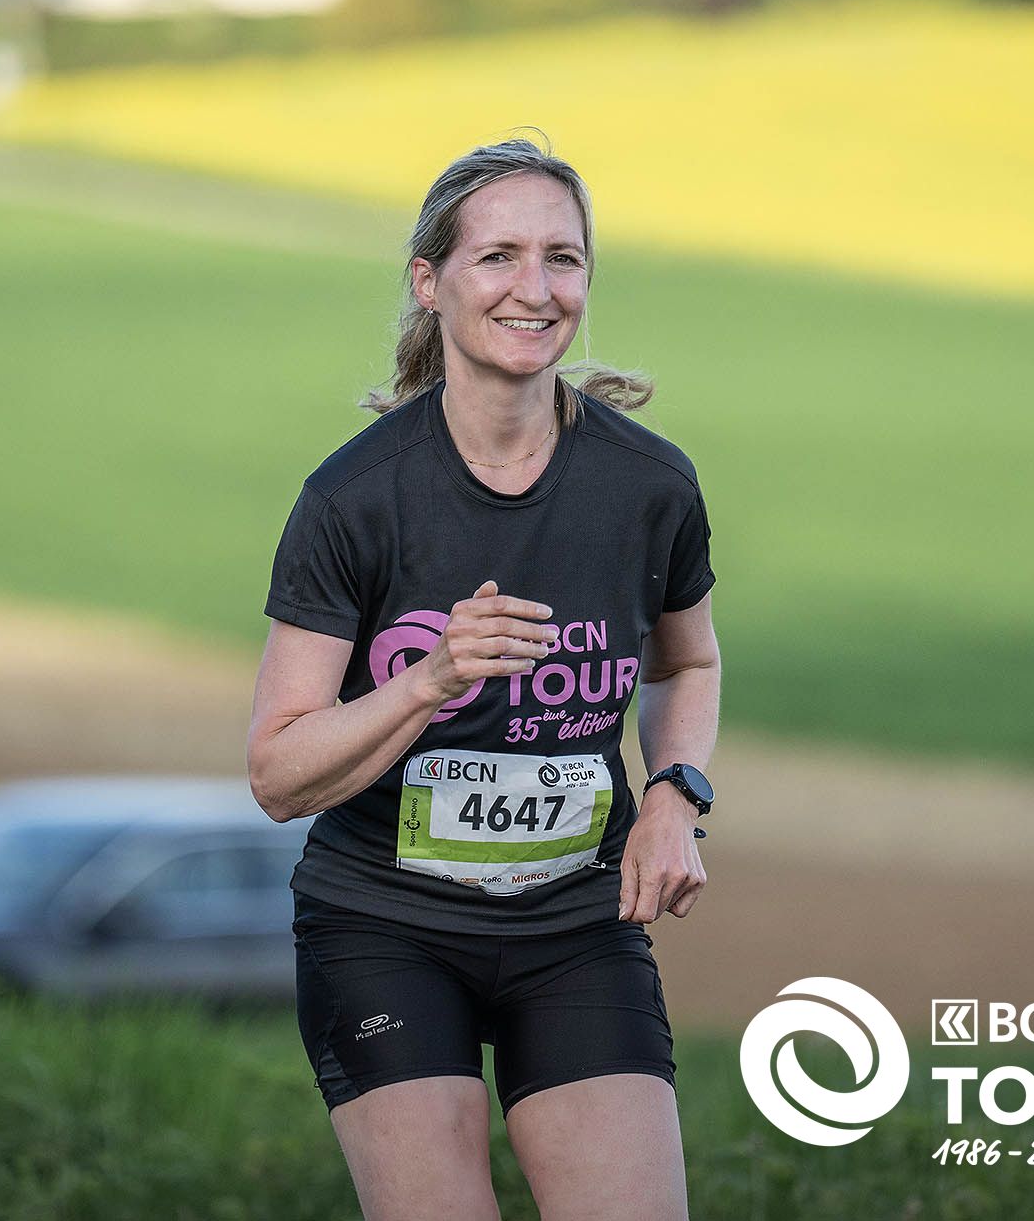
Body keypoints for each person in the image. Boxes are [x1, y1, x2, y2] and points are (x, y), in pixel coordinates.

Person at [247, 134, 722, 1221]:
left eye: (563, 258)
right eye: (499, 256)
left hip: (577, 921)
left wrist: (673, 794)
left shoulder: (649, 487)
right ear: (431, 282)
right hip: (385, 924)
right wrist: (432, 678)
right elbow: (277, 774)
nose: (535, 288)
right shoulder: (355, 500)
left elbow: (689, 659)